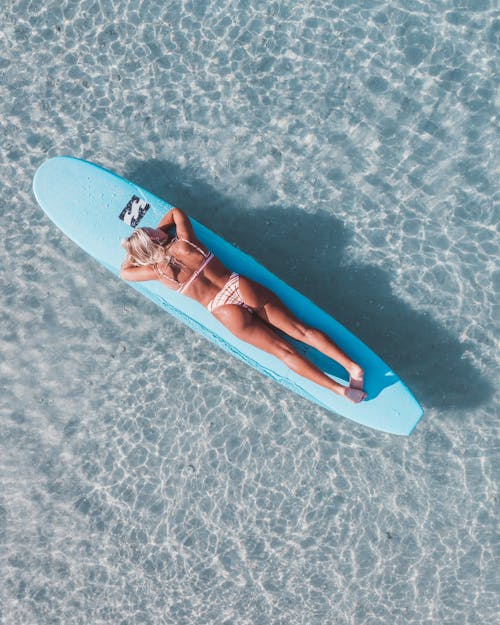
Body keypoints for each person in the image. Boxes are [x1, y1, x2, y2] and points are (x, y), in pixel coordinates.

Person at [120, 207, 367, 402]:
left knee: (284, 352)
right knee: (301, 331)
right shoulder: (186, 243)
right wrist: (161, 233)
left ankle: (340, 390)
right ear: (155, 236)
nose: (154, 228)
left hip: (222, 309)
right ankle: (352, 367)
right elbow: (176, 212)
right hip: (238, 286)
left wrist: (140, 250)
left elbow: (126, 272)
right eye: (151, 230)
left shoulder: (158, 273)